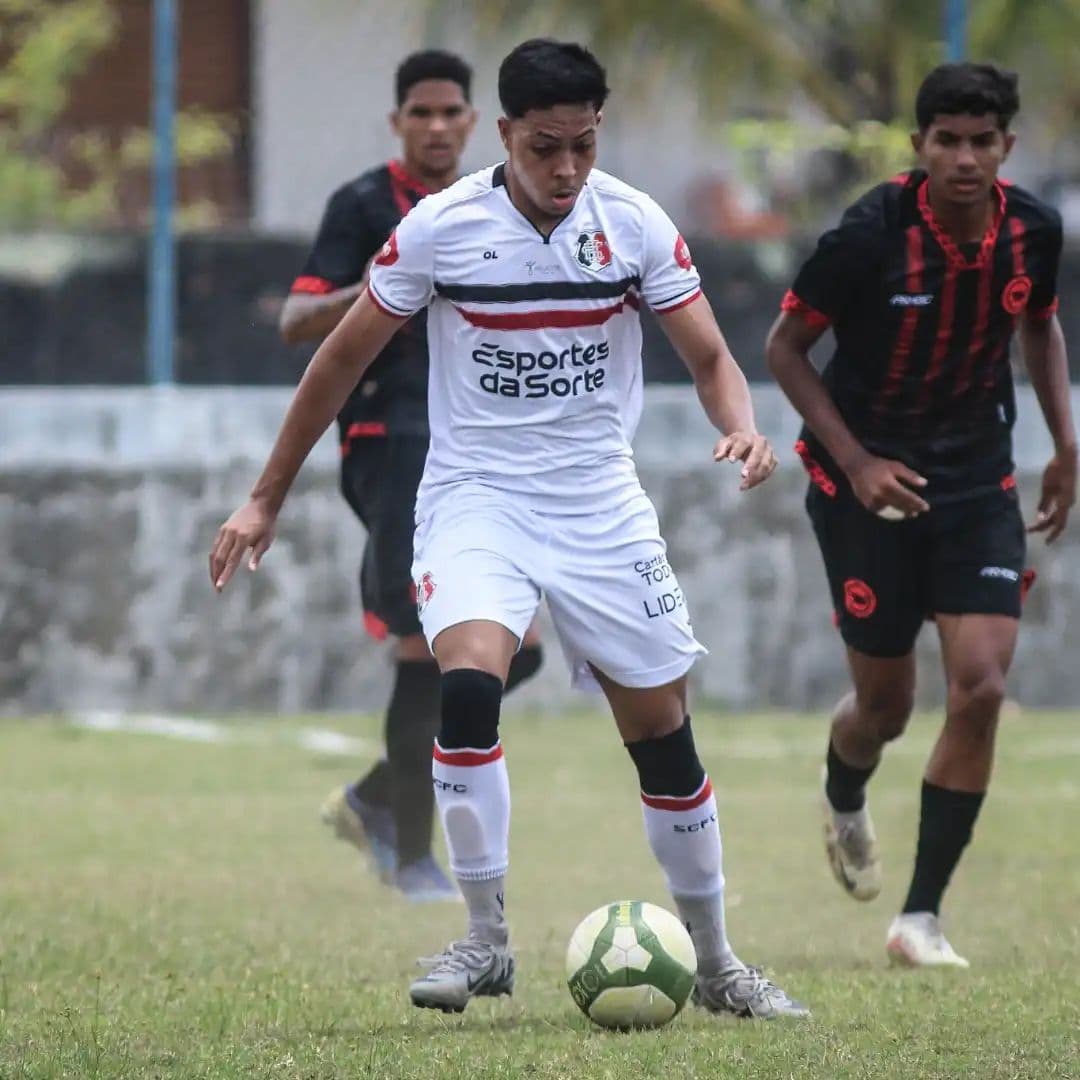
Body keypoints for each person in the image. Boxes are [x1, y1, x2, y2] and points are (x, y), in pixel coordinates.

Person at [212, 38, 808, 1020]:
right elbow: (337, 361)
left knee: (662, 734)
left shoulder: (636, 226)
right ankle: (486, 943)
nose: (567, 169)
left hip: (598, 503)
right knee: (469, 679)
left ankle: (717, 965)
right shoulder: (440, 230)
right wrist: (266, 494)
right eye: (544, 148)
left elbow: (709, 358)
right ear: (505, 136)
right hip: (475, 495)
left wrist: (741, 428)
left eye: (582, 145)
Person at [767, 62, 1075, 967]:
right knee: (885, 705)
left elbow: (1039, 326)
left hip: (977, 477)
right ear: (920, 148)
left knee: (980, 686)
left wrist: (1064, 442)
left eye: (984, 142)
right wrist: (856, 461)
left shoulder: (1034, 232)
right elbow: (786, 350)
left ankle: (920, 918)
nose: (967, 158)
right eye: (949, 141)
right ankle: (845, 792)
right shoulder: (868, 234)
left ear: (1006, 148)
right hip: (864, 481)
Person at [279, 49, 544, 904]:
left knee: (520, 647)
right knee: (422, 645)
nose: (436, 128)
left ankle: (374, 799)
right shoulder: (364, 205)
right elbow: (295, 319)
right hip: (390, 440)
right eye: (419, 114)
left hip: (477, 444)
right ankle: (413, 858)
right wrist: (385, 284)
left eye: (450, 114)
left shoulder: (491, 204)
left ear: (476, 124)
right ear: (398, 122)